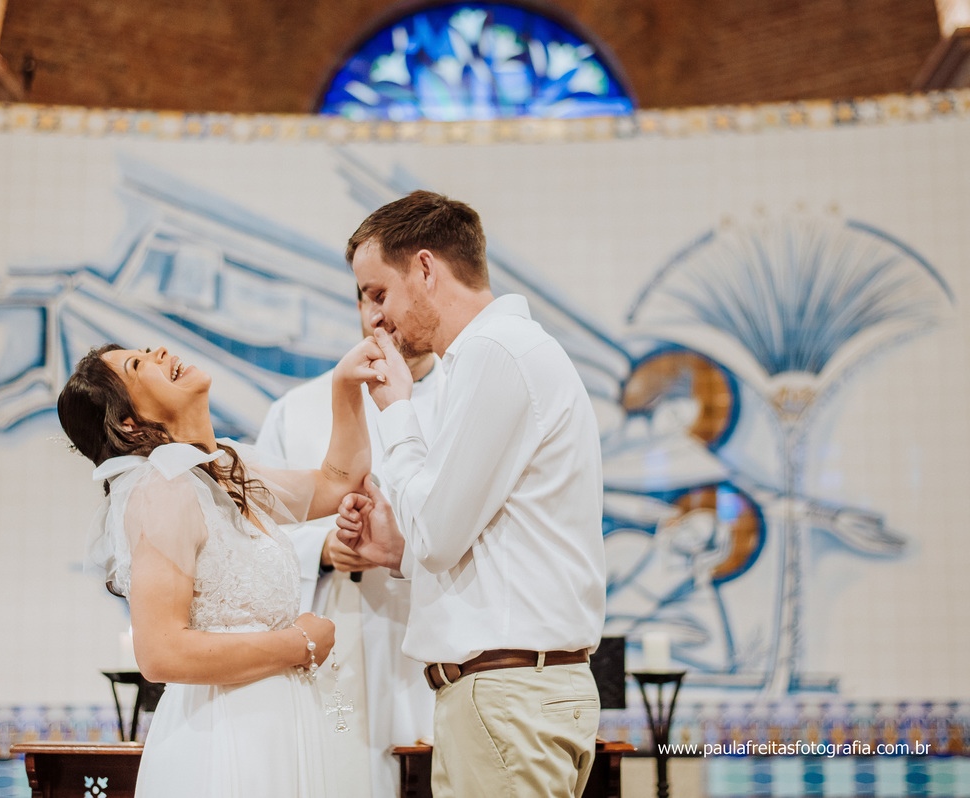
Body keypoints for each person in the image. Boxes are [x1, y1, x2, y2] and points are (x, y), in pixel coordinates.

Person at [335, 190, 606, 798]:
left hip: (507, 695)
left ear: (425, 269)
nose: (374, 318)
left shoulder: (494, 351)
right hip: (518, 692)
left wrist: (398, 412)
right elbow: (489, 536)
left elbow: (436, 535)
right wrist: (398, 551)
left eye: (379, 292)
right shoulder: (504, 351)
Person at [57, 340, 379, 797]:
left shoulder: (223, 471)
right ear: (129, 422)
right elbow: (160, 652)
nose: (159, 352)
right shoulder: (162, 489)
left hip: (274, 724)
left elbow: (336, 485)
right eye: (137, 364)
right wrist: (299, 644)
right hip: (224, 732)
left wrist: (345, 388)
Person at [256, 287, 444, 798]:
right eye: (367, 297)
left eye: (389, 294)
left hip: (430, 637)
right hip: (335, 639)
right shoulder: (296, 409)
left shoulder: (464, 398)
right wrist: (322, 548)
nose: (379, 313)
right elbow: (256, 534)